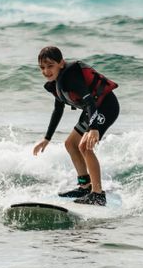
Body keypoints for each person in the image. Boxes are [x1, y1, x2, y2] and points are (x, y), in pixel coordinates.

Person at [32, 46, 119, 206]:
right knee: (70, 144)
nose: (46, 71)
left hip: (106, 106)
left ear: (61, 63)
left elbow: (90, 101)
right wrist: (47, 138)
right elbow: (58, 110)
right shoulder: (56, 84)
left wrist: (93, 129)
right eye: (42, 68)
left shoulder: (71, 76)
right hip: (92, 109)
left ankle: (97, 194)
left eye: (50, 66)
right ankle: (85, 186)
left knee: (85, 146)